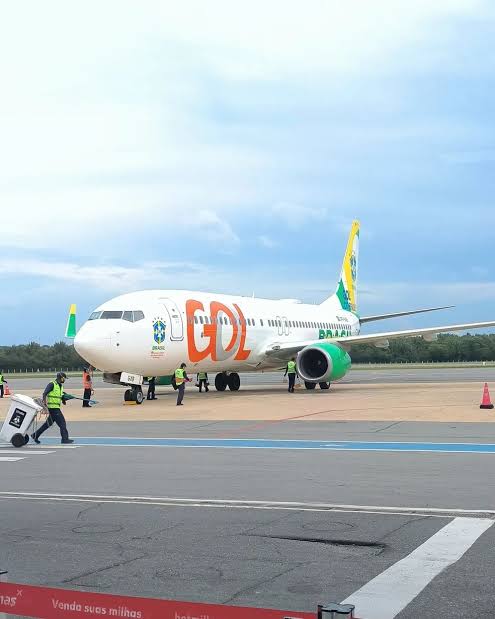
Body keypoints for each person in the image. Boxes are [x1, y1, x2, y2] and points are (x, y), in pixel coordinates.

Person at [31, 372, 74, 444]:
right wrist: (44, 404)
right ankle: (65, 439)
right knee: (62, 423)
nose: (65, 380)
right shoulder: (52, 384)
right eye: (64, 378)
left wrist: (64, 399)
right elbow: (45, 393)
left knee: (48, 424)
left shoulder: (60, 386)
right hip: (53, 408)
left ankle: (35, 435)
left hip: (55, 407)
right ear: (61, 378)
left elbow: (60, 395)